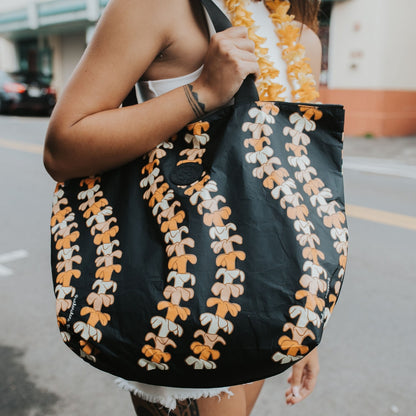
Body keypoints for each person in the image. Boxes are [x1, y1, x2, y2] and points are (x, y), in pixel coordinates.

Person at [44, 0, 322, 414]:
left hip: (267, 294)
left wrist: (306, 318)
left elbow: (297, 186)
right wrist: (204, 92)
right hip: (182, 289)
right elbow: (63, 149)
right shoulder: (157, 5)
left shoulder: (302, 37)